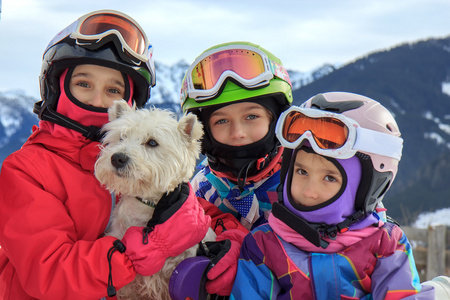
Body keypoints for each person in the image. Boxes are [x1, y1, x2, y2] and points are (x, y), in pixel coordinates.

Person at [0, 10, 210, 300]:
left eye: (113, 90)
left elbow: (204, 210)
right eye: (83, 84)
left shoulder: (137, 178)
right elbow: (49, 272)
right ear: (56, 87)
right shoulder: (27, 170)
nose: (98, 100)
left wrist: (225, 237)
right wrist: (154, 246)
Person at [230, 92, 436, 299]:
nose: (309, 192)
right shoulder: (264, 244)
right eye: (301, 172)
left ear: (366, 188)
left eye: (329, 178)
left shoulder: (385, 244)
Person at [179, 41, 293, 296]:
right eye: (221, 121)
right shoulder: (199, 191)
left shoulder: (301, 180)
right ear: (204, 132)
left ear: (276, 120)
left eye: (251, 116)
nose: (238, 133)